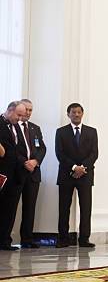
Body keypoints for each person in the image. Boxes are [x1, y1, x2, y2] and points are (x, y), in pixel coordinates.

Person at [55, 103, 98, 248]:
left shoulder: (92, 132)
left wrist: (82, 168)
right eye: (73, 112)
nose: (76, 115)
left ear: (82, 113)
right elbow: (59, 153)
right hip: (66, 174)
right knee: (64, 208)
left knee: (86, 208)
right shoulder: (61, 132)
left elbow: (94, 153)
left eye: (79, 112)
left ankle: (84, 238)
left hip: (85, 175)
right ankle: (63, 239)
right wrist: (74, 167)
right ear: (68, 114)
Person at [15, 99, 47, 248]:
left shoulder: (35, 128)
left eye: (30, 110)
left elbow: (42, 148)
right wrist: (24, 162)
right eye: (26, 109)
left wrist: (35, 161)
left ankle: (27, 239)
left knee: (30, 207)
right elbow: (12, 149)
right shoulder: (12, 126)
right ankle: (5, 239)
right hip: (18, 173)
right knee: (11, 207)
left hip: (33, 174)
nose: (28, 113)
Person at [0, 101, 27, 250]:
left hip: (16, 175)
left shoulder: (16, 126)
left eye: (22, 116)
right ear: (9, 110)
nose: (20, 118)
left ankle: (5, 240)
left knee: (10, 210)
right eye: (18, 115)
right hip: (2, 173)